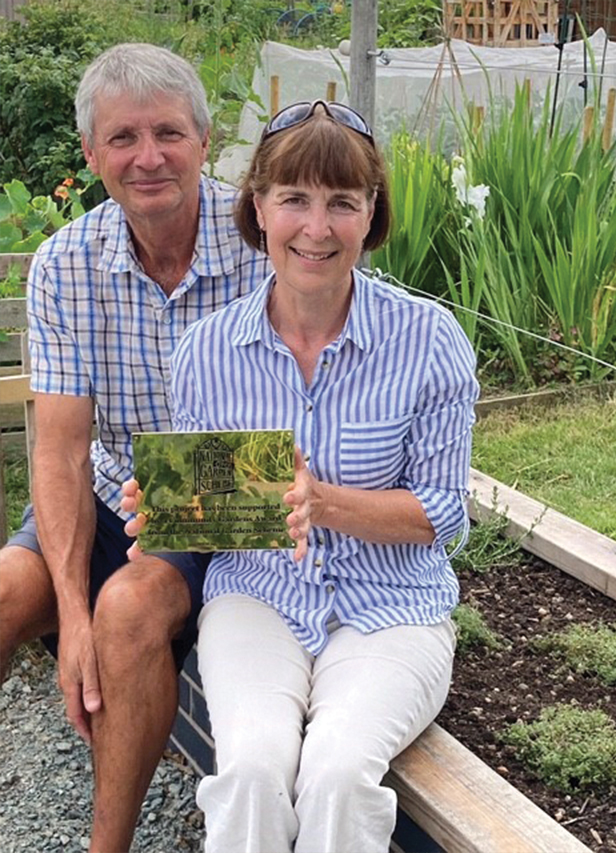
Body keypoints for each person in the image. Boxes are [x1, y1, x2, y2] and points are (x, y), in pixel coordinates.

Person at [124, 100, 479, 853]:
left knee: (339, 775)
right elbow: (212, 509)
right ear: (258, 207)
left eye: (342, 202)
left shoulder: (428, 340)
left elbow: (445, 510)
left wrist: (325, 503)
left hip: (393, 606)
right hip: (258, 597)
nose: (316, 228)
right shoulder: (208, 350)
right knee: (251, 770)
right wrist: (164, 510)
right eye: (294, 199)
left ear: (371, 214)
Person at [0, 43, 269, 852]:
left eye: (168, 133)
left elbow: (309, 421)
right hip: (118, 491)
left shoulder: (265, 242)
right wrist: (70, 620)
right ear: (91, 154)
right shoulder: (64, 264)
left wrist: (176, 505)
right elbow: (60, 454)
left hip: (236, 504)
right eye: (122, 137)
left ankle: (105, 847)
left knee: (129, 606)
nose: (148, 157)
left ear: (205, 140)